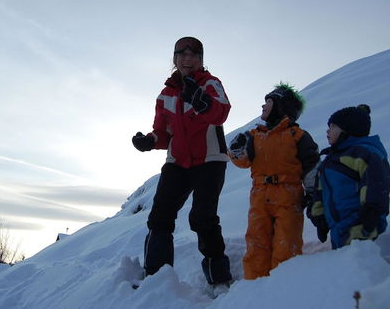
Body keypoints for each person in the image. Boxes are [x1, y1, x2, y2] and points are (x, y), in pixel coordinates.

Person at [132, 37, 232, 286]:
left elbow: (221, 112)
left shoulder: (210, 83)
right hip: (177, 161)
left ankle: (218, 278)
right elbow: (163, 133)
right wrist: (149, 141)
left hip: (210, 159)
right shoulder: (165, 94)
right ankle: (156, 278)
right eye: (182, 54)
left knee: (202, 217)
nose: (187, 59)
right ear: (174, 59)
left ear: (200, 59)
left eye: (193, 54)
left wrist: (201, 101)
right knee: (160, 216)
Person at [228, 83, 319, 280]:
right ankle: (254, 284)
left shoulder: (298, 135)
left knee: (286, 241)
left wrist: (313, 193)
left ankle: (282, 285)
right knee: (256, 241)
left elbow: (311, 166)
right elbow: (243, 161)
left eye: (268, 102)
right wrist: (236, 150)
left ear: (281, 106)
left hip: (289, 196)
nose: (263, 106)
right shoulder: (254, 135)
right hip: (260, 196)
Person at [307, 104, 390, 249]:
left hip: (362, 222)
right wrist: (319, 216)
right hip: (338, 227)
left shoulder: (363, 153)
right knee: (344, 263)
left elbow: (375, 183)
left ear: (348, 130)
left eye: (333, 127)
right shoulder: (328, 162)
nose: (328, 130)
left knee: (359, 263)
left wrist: (372, 210)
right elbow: (320, 191)